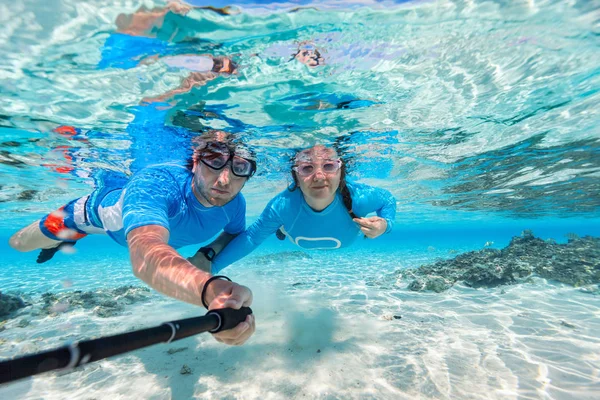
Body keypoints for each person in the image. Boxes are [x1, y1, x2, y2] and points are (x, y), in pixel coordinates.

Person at [9, 131, 256, 345]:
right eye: (214, 161)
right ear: (195, 161)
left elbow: (234, 232)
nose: (225, 179)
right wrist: (208, 290)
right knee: (19, 243)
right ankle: (65, 237)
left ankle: (67, 239)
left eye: (240, 168)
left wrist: (207, 254)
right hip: (86, 216)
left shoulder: (234, 204)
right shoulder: (156, 184)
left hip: (116, 227)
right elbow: (145, 254)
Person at [196, 145, 396, 273]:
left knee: (281, 224)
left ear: (340, 170)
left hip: (301, 230)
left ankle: (281, 229)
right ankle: (281, 230)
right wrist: (210, 269)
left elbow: (388, 200)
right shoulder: (282, 206)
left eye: (328, 166)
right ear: (296, 176)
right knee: (279, 226)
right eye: (307, 168)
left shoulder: (358, 197)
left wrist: (385, 224)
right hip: (292, 229)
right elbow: (251, 238)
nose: (318, 177)